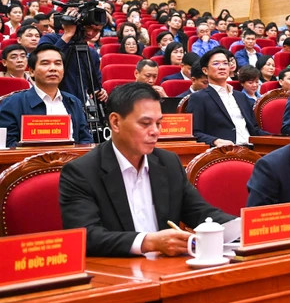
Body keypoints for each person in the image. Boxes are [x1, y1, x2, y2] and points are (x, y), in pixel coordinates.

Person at [59, 83, 234, 256]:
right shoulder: (82, 172)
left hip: (166, 266)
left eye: (158, 123)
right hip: (117, 268)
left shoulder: (169, 163)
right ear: (115, 122)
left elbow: (201, 213)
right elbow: (87, 236)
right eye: (145, 123)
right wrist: (148, 242)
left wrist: (243, 228)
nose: (155, 131)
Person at [0, 45, 92, 147]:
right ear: (31, 71)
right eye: (45, 63)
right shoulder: (12, 103)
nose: (53, 68)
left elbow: (85, 139)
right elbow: (7, 144)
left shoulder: (73, 101)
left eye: (58, 63)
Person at [187, 47, 267, 145]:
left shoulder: (241, 96)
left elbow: (254, 129)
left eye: (225, 63)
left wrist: (277, 138)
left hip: (252, 148)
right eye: (216, 63)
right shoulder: (199, 98)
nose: (222, 67)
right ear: (205, 70)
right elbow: (194, 133)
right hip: (224, 150)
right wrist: (216, 141)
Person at [40, 8, 107, 105]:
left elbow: (95, 86)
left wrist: (99, 92)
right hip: (49, 103)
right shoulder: (50, 39)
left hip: (79, 106)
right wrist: (68, 34)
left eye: (97, 30)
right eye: (88, 27)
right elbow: (44, 62)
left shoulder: (92, 54)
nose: (90, 33)